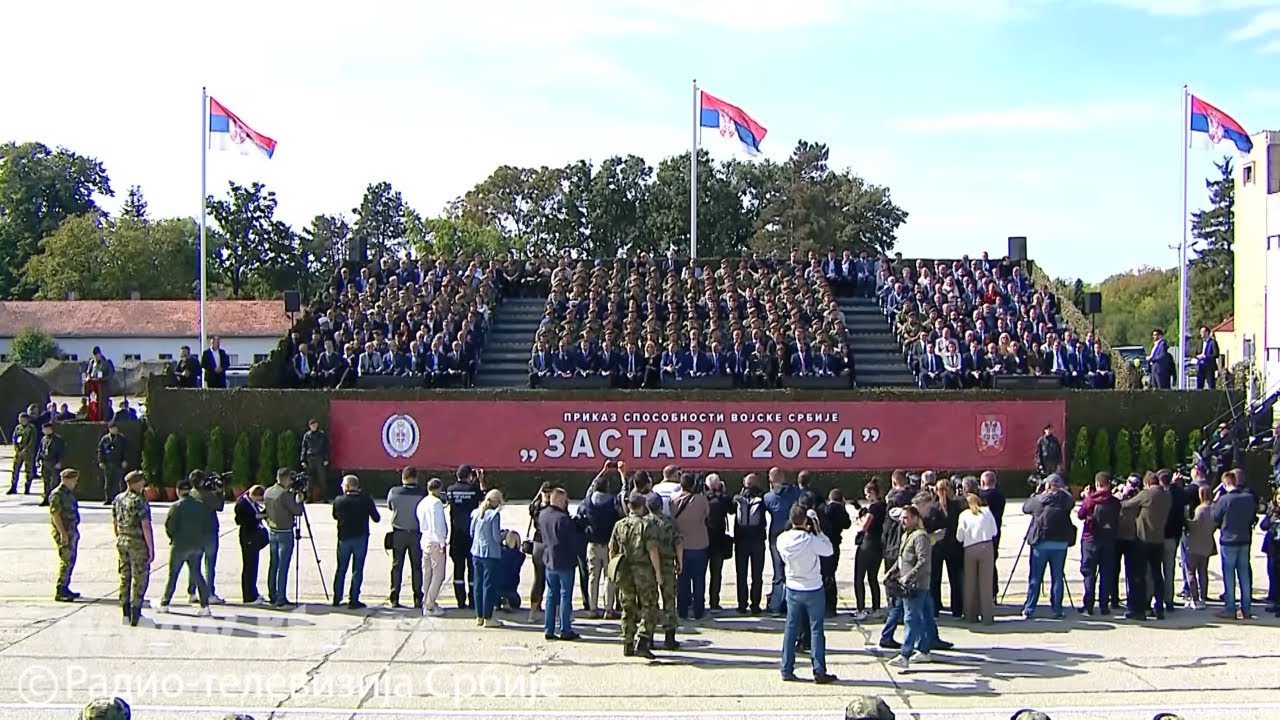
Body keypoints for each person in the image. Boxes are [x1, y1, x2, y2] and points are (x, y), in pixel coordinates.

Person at [777, 503, 838, 684]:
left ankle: (786, 667)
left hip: (793, 586)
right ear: (806, 520)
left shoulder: (782, 539)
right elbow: (828, 550)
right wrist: (818, 530)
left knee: (791, 628)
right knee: (816, 629)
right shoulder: (811, 540)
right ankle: (819, 670)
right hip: (812, 587)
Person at [609, 493, 663, 659]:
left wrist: (614, 570)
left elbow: (612, 550)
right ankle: (643, 639)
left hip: (624, 570)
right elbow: (652, 550)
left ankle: (628, 641)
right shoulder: (646, 525)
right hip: (643, 571)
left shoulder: (619, 525)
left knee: (628, 606)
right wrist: (658, 573)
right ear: (643, 506)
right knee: (649, 605)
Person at [1021, 474, 1075, 619]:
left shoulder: (1039, 500)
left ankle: (1030, 608)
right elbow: (1071, 501)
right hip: (1060, 544)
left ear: (1047, 485)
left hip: (1041, 543)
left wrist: (1038, 492)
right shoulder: (1065, 501)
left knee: (1035, 577)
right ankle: (1057, 609)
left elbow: (1025, 508)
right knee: (1057, 576)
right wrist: (1063, 490)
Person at [158, 478, 213, 616]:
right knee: (197, 574)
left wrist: (173, 537)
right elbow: (206, 525)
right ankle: (205, 605)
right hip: (196, 544)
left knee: (173, 575)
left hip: (180, 545)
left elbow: (169, 526)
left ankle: (165, 603)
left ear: (178, 491)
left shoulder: (176, 506)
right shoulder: (200, 505)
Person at [1122, 471, 1172, 621]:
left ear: (1147, 483)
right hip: (1159, 540)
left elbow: (1127, 505)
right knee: (1157, 574)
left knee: (1140, 575)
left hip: (1144, 540)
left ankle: (1140, 609)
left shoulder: (1147, 494)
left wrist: (1123, 494)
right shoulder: (1166, 495)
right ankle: (1159, 608)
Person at [889, 505, 933, 670]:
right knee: (923, 617)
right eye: (901, 518)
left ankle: (905, 654)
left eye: (906, 518)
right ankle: (924, 650)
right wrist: (892, 571)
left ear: (915, 518)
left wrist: (909, 576)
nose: (902, 521)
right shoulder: (907, 535)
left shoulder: (920, 537)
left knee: (911, 618)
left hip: (915, 585)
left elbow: (923, 561)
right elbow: (902, 558)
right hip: (909, 583)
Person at [538, 487, 583, 641]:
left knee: (551, 595)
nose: (566, 503)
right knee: (565, 596)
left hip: (549, 559)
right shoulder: (563, 519)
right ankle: (565, 628)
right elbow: (572, 540)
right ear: (558, 500)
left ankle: (548, 628)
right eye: (564, 501)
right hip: (564, 561)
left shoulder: (543, 515)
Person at [1212, 469, 1257, 620]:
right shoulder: (1249, 498)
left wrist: (1215, 501)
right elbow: (1252, 517)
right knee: (1244, 574)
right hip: (1245, 539)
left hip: (1228, 540)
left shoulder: (1224, 500)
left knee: (1229, 575)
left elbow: (1215, 517)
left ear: (1225, 484)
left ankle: (1230, 608)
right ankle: (1246, 608)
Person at [577, 472, 621, 619]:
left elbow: (582, 510)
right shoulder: (613, 502)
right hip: (609, 545)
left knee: (593, 577)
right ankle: (609, 609)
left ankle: (593, 608)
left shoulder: (587, 502)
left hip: (592, 543)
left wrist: (601, 472)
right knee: (610, 578)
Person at [333, 475, 380, 609]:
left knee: (341, 568)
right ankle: (354, 599)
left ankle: (337, 597)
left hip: (344, 538)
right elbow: (376, 518)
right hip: (360, 537)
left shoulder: (339, 500)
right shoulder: (365, 500)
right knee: (357, 569)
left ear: (347, 486)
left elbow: (335, 516)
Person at [112, 471, 153, 627]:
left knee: (125, 577)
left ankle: (125, 614)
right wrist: (151, 548)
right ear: (136, 483)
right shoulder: (139, 501)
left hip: (122, 541)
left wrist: (120, 536)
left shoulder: (118, 499)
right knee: (140, 578)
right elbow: (146, 526)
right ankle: (136, 613)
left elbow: (115, 522)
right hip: (137, 543)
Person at [1077, 473, 1121, 616]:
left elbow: (1080, 515)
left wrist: (1086, 497)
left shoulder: (1090, 500)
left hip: (1090, 539)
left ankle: (1088, 605)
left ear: (1097, 484)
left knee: (1089, 572)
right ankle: (1104, 605)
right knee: (1106, 573)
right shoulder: (1114, 501)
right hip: (1108, 540)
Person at [645, 493, 684, 649]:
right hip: (667, 565)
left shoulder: (644, 523)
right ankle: (669, 638)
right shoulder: (669, 522)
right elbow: (678, 543)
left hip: (648, 567)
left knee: (650, 602)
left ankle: (649, 638)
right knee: (669, 601)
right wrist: (680, 562)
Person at [263, 468, 304, 607]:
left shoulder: (268, 491)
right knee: (283, 566)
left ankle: (272, 593)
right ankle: (281, 597)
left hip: (272, 529)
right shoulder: (284, 495)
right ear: (286, 479)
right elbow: (297, 511)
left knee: (273, 564)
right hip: (285, 531)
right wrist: (300, 500)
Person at [671, 473, 710, 620]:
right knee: (699, 580)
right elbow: (707, 514)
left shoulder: (673, 500)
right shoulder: (701, 500)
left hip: (681, 546)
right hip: (700, 544)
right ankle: (699, 611)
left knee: (682, 580)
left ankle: (682, 610)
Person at [386, 467, 425, 609]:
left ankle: (394, 597)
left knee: (397, 567)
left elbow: (390, 506)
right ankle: (418, 598)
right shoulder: (422, 493)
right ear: (416, 477)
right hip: (416, 533)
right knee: (417, 567)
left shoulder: (394, 492)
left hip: (399, 533)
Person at [764, 467, 801, 614]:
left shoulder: (768, 498)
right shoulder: (795, 493)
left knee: (778, 571)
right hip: (792, 535)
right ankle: (790, 604)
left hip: (776, 536)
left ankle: (776, 605)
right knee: (792, 570)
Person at [445, 465, 482, 608]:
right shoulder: (473, 489)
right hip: (471, 535)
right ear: (470, 476)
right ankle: (473, 600)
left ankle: (460, 600)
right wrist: (480, 480)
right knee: (472, 569)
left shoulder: (450, 490)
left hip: (456, 535)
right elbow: (484, 497)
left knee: (458, 568)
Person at [957, 492, 997, 624]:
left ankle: (970, 615)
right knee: (986, 584)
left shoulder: (964, 515)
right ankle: (987, 617)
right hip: (986, 547)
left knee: (970, 583)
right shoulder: (987, 511)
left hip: (970, 548)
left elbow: (959, 537)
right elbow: (994, 532)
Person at [190, 471, 227, 605]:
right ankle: (209, 593)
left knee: (195, 563)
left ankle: (192, 592)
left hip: (195, 533)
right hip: (209, 532)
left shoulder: (191, 493)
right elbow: (220, 506)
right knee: (209, 564)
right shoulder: (207, 495)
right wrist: (219, 492)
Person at [733, 473, 768, 614]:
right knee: (757, 574)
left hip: (741, 541)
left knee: (741, 574)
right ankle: (755, 605)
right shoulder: (762, 499)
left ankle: (742, 605)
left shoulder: (737, 498)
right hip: (758, 541)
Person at [471, 489, 505, 627]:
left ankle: (479, 615)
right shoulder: (494, 515)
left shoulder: (476, 512)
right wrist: (504, 534)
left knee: (477, 585)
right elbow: (496, 537)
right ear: (496, 501)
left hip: (476, 551)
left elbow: (471, 532)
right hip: (490, 553)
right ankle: (488, 617)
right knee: (489, 586)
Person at [415, 477, 449, 615]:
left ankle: (427, 600)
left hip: (425, 540)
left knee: (427, 573)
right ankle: (429, 605)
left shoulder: (422, 502)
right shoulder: (436, 503)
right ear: (438, 489)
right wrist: (442, 541)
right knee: (439, 575)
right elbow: (438, 524)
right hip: (435, 541)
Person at [852, 482, 886, 619]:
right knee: (873, 577)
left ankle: (860, 609)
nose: (866, 496)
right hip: (879, 545)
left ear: (873, 492)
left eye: (867, 493)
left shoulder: (873, 507)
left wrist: (859, 521)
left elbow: (866, 525)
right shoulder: (884, 505)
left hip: (868, 543)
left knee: (859, 577)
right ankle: (876, 607)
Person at [49, 468, 81, 602]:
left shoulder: (68, 494)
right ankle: (61, 589)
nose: (75, 483)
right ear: (67, 479)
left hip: (71, 531)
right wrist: (63, 533)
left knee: (71, 561)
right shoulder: (57, 494)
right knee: (66, 561)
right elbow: (55, 515)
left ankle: (66, 587)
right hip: (64, 532)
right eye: (74, 480)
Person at [704, 475, 735, 613]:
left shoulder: (703, 499)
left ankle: (698, 602)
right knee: (716, 573)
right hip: (719, 541)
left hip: (704, 540)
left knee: (700, 574)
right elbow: (732, 510)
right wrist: (724, 491)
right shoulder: (724, 499)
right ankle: (714, 602)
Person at [820, 488, 852, 616]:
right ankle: (831, 606)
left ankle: (824, 604)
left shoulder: (825, 509)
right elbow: (847, 524)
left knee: (824, 574)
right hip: (835, 543)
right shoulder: (839, 509)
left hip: (824, 543)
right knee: (831, 575)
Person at [1185, 485, 1217, 611]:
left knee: (1191, 571)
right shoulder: (1214, 508)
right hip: (1207, 541)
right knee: (1203, 571)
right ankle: (1203, 597)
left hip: (1195, 542)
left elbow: (1195, 526)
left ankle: (1195, 598)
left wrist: (1186, 520)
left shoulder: (1200, 509)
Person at [234, 485, 268, 604]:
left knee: (253, 566)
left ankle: (253, 592)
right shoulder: (242, 503)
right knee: (249, 567)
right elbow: (242, 519)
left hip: (253, 536)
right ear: (253, 495)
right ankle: (248, 596)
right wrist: (261, 516)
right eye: (258, 498)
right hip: (248, 536)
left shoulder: (250, 503)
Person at [527, 482, 554, 621]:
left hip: (537, 543)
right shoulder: (552, 509)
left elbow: (531, 505)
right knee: (553, 579)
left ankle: (533, 610)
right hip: (548, 544)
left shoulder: (535, 507)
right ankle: (554, 611)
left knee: (538, 578)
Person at [978, 471, 1006, 599]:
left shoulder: (981, 496)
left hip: (981, 534)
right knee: (992, 563)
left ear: (983, 482)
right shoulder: (1000, 495)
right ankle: (993, 592)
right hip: (995, 532)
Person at [97, 421, 129, 506]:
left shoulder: (121, 438)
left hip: (118, 462)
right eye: (112, 428)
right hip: (108, 463)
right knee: (108, 483)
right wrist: (101, 461)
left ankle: (120, 500)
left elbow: (126, 450)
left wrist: (125, 460)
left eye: (115, 428)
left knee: (120, 482)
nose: (114, 430)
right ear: (109, 429)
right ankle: (108, 499)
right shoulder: (105, 439)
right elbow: (101, 450)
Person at [36, 421, 67, 507]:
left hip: (53, 462)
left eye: (46, 429)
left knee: (54, 482)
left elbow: (62, 452)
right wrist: (38, 460)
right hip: (45, 462)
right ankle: (46, 498)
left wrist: (60, 462)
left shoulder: (58, 439)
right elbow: (40, 450)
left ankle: (55, 499)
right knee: (46, 481)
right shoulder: (43, 439)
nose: (44, 431)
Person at [300, 419, 332, 499]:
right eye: (312, 425)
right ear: (309, 426)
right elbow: (304, 448)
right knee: (310, 480)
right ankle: (309, 498)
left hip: (320, 458)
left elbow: (326, 447)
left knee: (322, 479)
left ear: (317, 425)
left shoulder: (322, 434)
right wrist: (303, 460)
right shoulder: (307, 435)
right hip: (310, 458)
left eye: (315, 425)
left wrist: (326, 459)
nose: (314, 426)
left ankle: (325, 497)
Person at [496, 530, 526, 612]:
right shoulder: (520, 556)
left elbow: (497, 544)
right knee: (516, 603)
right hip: (511, 589)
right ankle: (507, 600)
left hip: (497, 589)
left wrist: (502, 537)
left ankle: (498, 602)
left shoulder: (500, 552)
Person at [8, 412, 36, 495]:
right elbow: (14, 438)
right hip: (18, 452)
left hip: (28, 453)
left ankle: (27, 488)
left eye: (23, 419)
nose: (21, 421)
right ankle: (13, 487)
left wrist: (26, 449)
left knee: (28, 471)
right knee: (15, 470)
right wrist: (16, 448)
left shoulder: (31, 428)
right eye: (20, 419)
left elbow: (32, 440)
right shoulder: (18, 428)